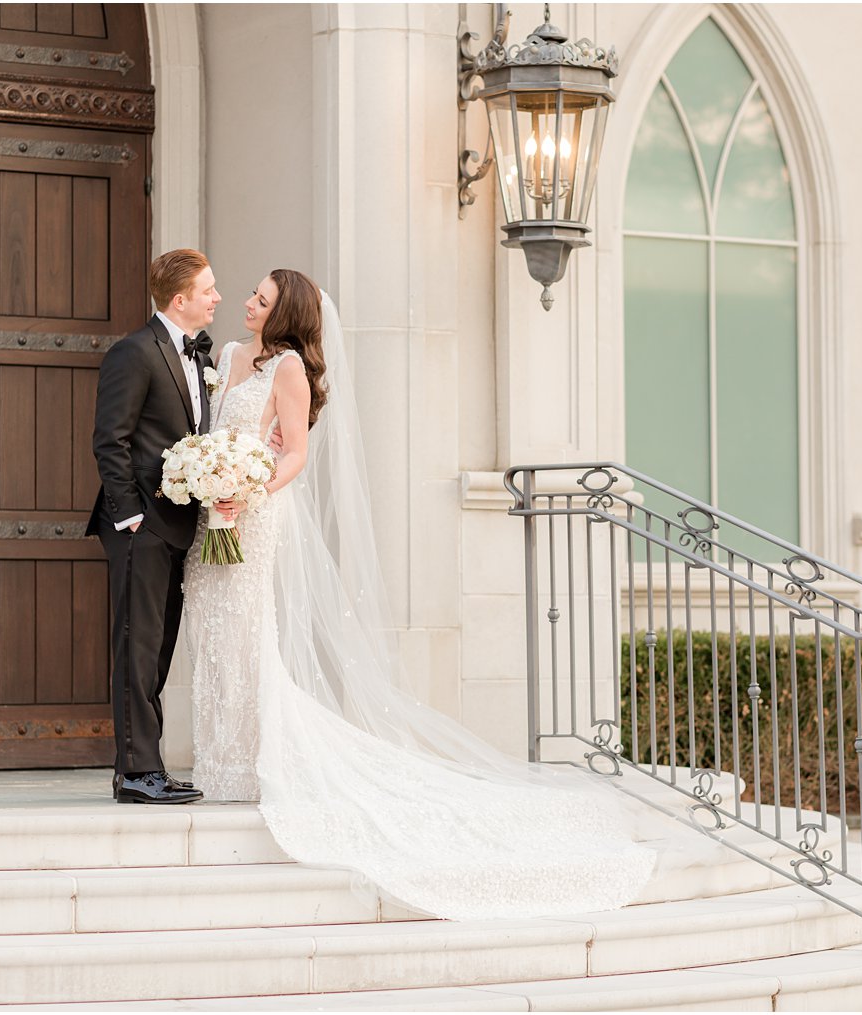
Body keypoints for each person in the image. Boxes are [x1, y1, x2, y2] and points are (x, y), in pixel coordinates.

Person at [181, 269, 702, 920]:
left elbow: (295, 456)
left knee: (248, 629)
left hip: (255, 515)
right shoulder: (227, 357)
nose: (249, 303)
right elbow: (206, 432)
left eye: (261, 297)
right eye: (252, 294)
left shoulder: (287, 368)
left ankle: (249, 760)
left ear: (286, 312)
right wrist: (203, 475)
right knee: (212, 629)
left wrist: (250, 487)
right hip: (212, 513)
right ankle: (217, 757)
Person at [87, 249, 220, 805]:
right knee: (137, 646)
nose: (216, 297)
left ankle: (146, 765)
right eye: (208, 289)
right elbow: (109, 439)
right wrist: (130, 515)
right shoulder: (134, 353)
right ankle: (137, 772)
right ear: (179, 299)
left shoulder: (196, 357)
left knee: (159, 647)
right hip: (140, 525)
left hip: (178, 524)